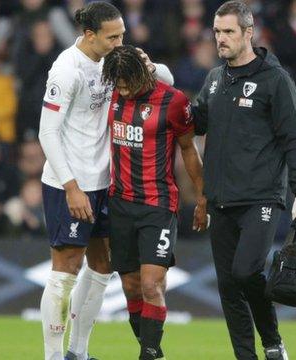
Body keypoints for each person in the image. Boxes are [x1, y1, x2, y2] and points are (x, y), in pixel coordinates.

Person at [36, 3, 174, 360]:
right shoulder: (66, 70)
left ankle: (78, 353)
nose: (120, 42)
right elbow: (46, 132)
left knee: (101, 267)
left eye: (123, 34)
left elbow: (168, 81)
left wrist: (147, 65)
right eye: (113, 37)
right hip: (69, 183)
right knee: (65, 270)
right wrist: (70, 186)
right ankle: (52, 357)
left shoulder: (116, 61)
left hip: (106, 183)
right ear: (89, 35)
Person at [192, 2, 296, 359]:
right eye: (216, 32)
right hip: (221, 198)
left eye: (229, 31)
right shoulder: (214, 79)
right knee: (229, 287)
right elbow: (197, 122)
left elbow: (294, 139)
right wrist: (166, 92)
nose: (221, 39)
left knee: (246, 272)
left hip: (260, 197)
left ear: (249, 33)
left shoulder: (275, 80)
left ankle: (273, 343)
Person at [101, 45, 207, 360]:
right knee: (131, 287)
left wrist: (202, 195)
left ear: (143, 74)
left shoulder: (173, 102)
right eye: (116, 84)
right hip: (119, 203)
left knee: (151, 284)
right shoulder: (113, 93)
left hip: (157, 205)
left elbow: (188, 149)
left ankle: (149, 354)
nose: (121, 89)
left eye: (125, 83)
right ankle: (153, 351)